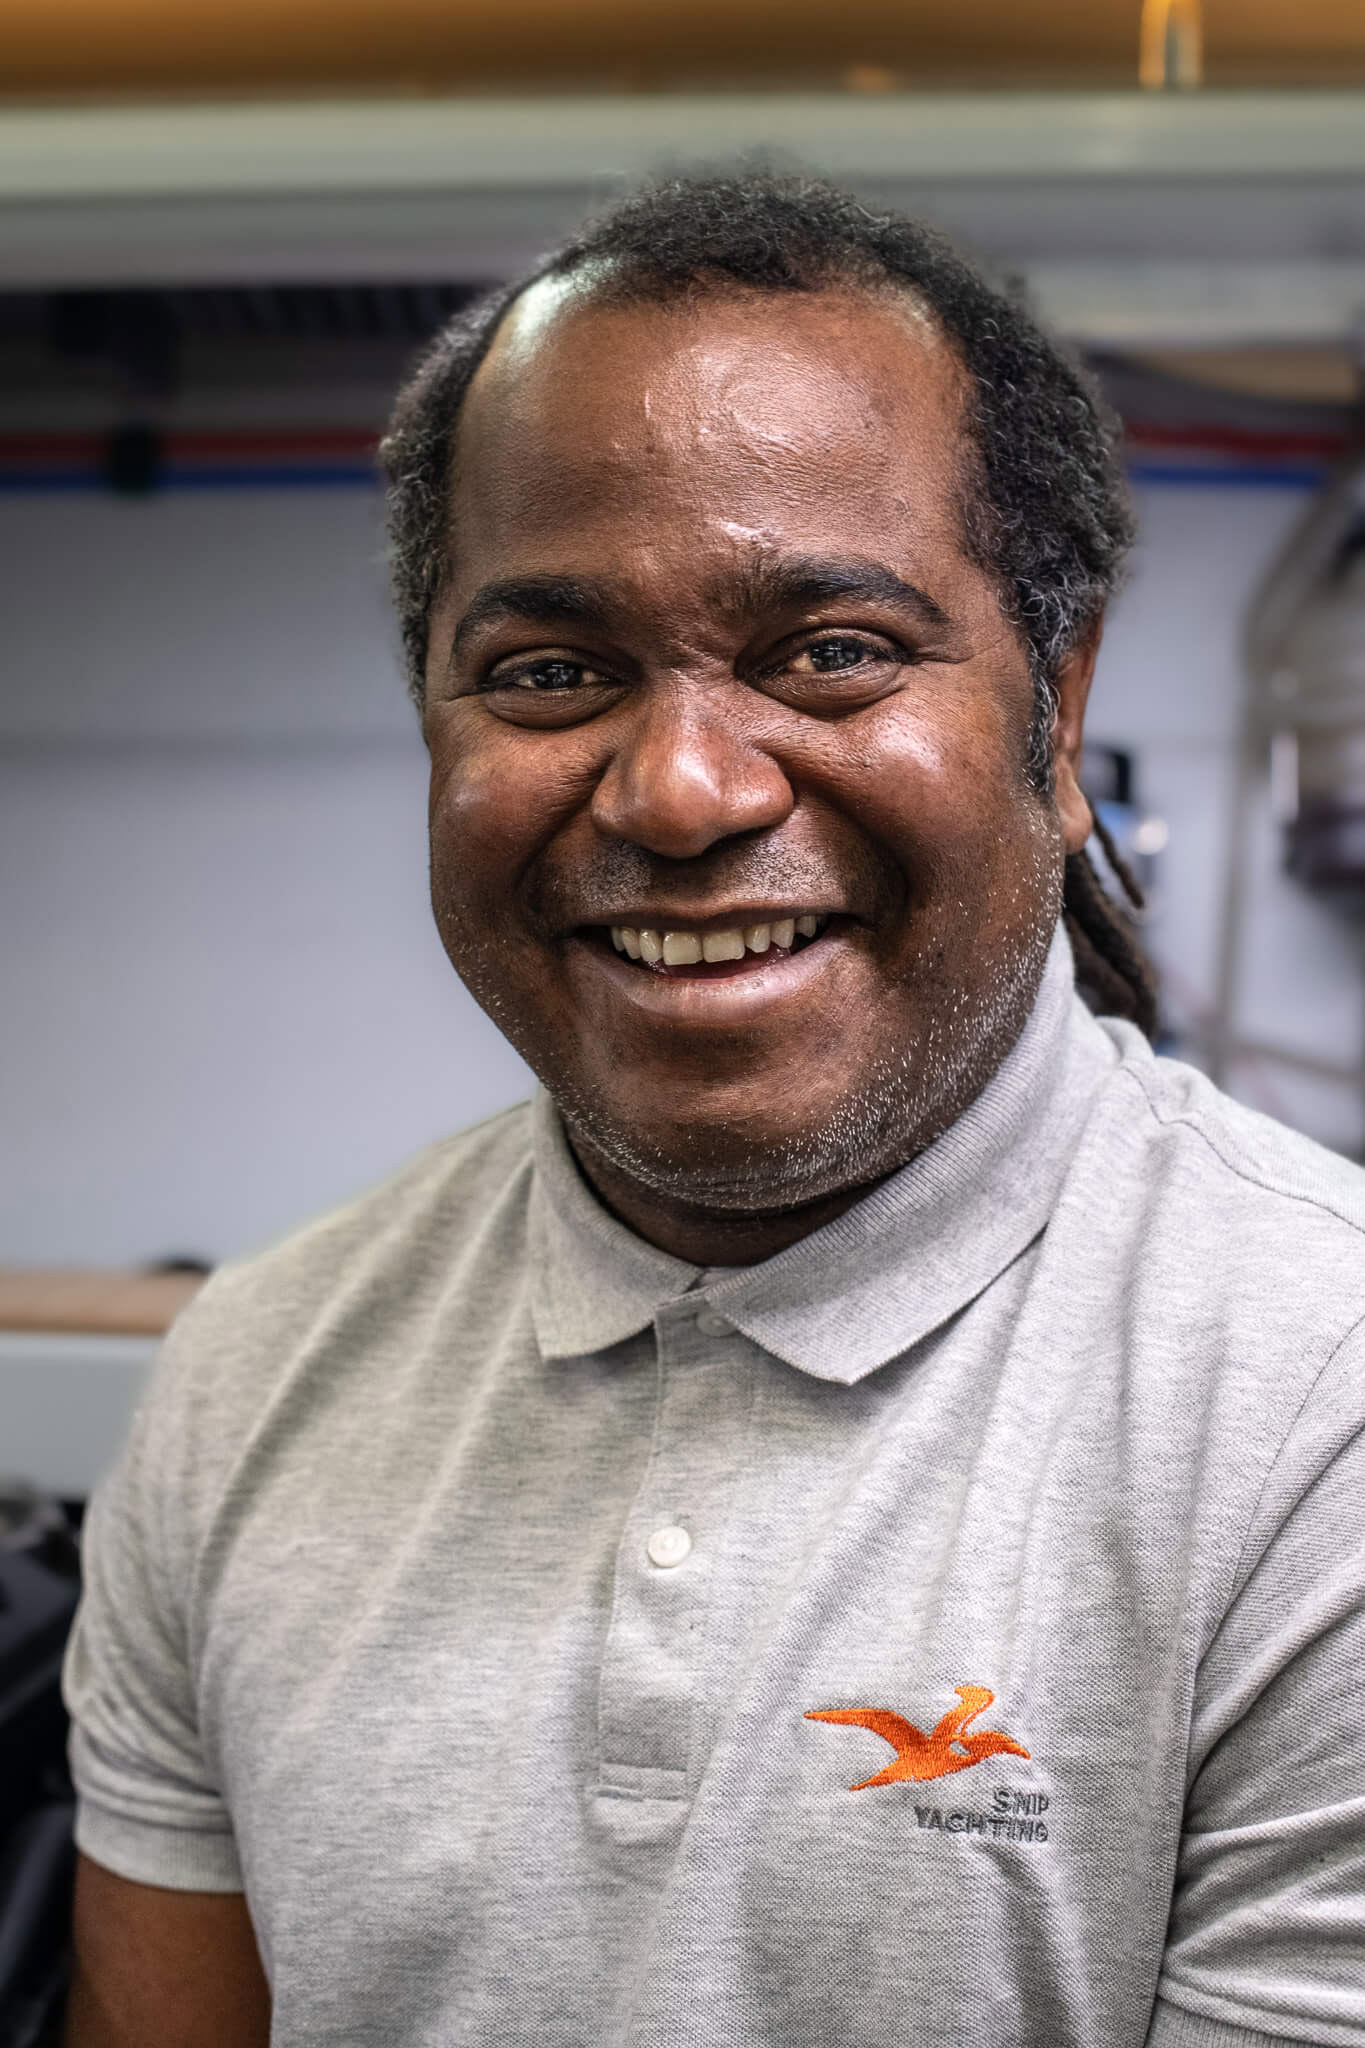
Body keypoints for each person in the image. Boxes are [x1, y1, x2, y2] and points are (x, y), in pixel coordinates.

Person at [61, 174, 1364, 2048]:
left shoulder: (1316, 1410)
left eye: (829, 649)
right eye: (549, 674)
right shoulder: (250, 1379)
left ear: (1057, 715)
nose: (679, 792)